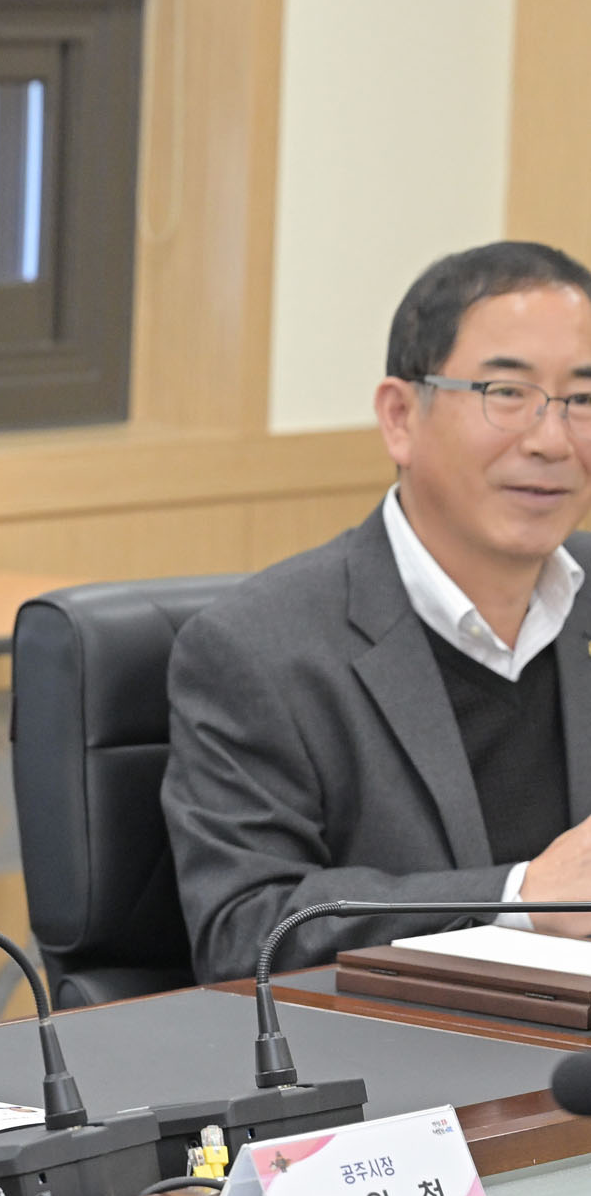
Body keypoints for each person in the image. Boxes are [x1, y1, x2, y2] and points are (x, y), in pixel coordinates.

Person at [165, 240, 591, 981]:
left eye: (583, 400)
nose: (551, 440)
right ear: (400, 417)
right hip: (405, 1046)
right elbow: (246, 933)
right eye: (505, 393)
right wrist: (516, 898)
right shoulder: (258, 649)